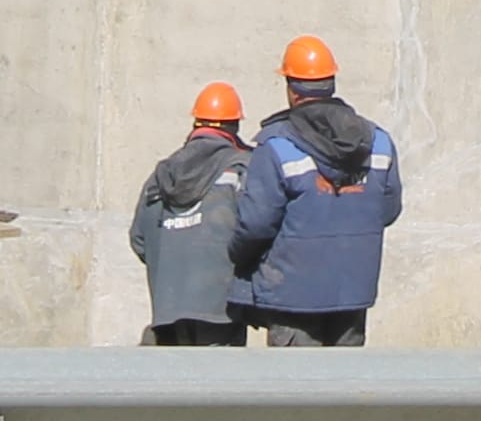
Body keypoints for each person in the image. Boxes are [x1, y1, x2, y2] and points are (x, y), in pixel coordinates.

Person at [230, 33, 399, 346]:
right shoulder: (379, 140)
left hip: (291, 297)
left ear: (292, 90)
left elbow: (256, 224)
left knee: (297, 391)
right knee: (345, 390)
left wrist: (236, 257)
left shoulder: (277, 144)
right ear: (331, 82)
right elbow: (387, 210)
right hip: (352, 292)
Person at [127, 81, 254, 345]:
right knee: (216, 383)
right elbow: (256, 228)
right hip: (221, 310)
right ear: (234, 126)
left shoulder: (162, 174)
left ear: (196, 123)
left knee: (174, 384)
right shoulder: (240, 169)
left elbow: (139, 239)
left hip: (168, 309)